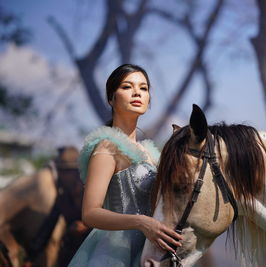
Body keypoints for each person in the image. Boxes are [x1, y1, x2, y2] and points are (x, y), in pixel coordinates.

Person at [68, 64, 182, 267]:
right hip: (114, 253)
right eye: (127, 87)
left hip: (150, 250)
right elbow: (90, 213)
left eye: (144, 88)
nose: (137, 92)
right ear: (111, 98)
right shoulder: (107, 146)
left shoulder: (151, 154)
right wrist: (141, 222)